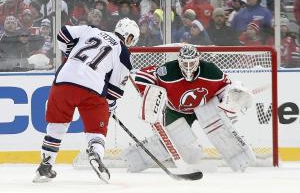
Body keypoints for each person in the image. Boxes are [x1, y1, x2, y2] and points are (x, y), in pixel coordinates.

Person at [33, 17, 140, 183]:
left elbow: (63, 33)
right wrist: (109, 108)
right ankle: (95, 152)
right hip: (92, 88)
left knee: (57, 126)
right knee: (96, 130)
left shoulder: (92, 30)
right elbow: (114, 92)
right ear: (130, 38)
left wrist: (72, 54)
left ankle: (45, 166)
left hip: (63, 80)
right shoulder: (123, 52)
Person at [123, 44, 255, 173]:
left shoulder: (211, 71)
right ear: (178, 61)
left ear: (198, 61)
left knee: (220, 130)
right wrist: (147, 91)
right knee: (184, 149)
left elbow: (225, 87)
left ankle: (241, 159)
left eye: (191, 63)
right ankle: (134, 158)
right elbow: (142, 76)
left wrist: (230, 98)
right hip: (175, 111)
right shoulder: (167, 71)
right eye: (184, 63)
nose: (188, 67)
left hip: (205, 106)